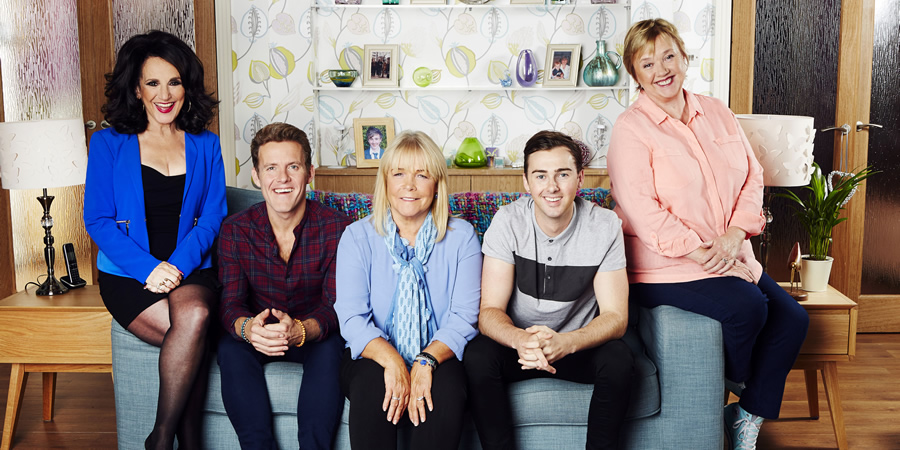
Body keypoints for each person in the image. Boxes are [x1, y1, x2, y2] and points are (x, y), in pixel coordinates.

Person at [607, 19, 809, 450]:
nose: (661, 69)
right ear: (635, 73)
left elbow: (753, 176)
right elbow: (644, 212)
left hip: (732, 253)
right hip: (666, 268)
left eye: (668, 56)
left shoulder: (716, 111)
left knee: (794, 319)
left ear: (683, 56)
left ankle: (745, 412)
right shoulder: (630, 129)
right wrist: (703, 253)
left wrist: (735, 235)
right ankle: (750, 391)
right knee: (748, 309)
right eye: (647, 63)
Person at [83, 30, 225, 450]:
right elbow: (98, 219)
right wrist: (149, 269)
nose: (165, 94)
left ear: (187, 86)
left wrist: (177, 266)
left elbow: (213, 216)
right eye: (153, 83)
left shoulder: (206, 144)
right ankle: (188, 441)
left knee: (196, 315)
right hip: (129, 274)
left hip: (191, 266)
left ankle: (161, 438)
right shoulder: (108, 143)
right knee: (193, 334)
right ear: (136, 88)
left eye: (175, 82)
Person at [464, 130, 634, 450]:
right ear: (526, 182)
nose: (552, 187)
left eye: (563, 174)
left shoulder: (605, 226)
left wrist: (566, 343)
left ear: (579, 178)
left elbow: (615, 317)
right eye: (540, 176)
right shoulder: (507, 222)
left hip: (575, 345)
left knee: (619, 359)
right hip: (520, 348)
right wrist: (522, 340)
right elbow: (488, 313)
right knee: (477, 356)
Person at [335, 131, 482, 450]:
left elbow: (464, 317)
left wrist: (425, 361)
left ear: (437, 184)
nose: (409, 185)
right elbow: (352, 318)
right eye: (398, 173)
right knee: (371, 384)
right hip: (373, 355)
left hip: (439, 354)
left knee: (444, 390)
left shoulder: (462, 237)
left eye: (422, 175)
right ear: (385, 182)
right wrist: (394, 362)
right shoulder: (356, 237)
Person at [216, 122, 351, 450]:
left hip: (315, 334)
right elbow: (230, 303)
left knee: (333, 349)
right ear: (256, 176)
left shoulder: (340, 228)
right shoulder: (235, 230)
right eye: (271, 168)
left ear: (310, 173)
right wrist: (249, 328)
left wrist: (301, 330)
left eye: (293, 167)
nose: (283, 179)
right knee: (230, 348)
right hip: (258, 334)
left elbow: (338, 306)